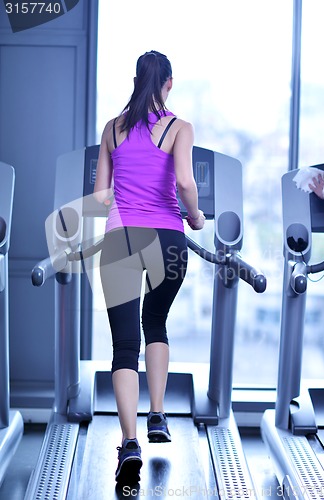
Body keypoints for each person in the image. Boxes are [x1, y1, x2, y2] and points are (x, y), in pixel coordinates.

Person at [94, 50, 205, 486]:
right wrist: (194, 217)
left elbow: (102, 197)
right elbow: (183, 183)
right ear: (169, 83)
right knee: (155, 323)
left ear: (137, 80)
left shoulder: (112, 129)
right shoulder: (180, 128)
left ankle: (130, 442)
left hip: (122, 239)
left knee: (124, 346)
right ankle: (158, 415)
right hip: (169, 241)